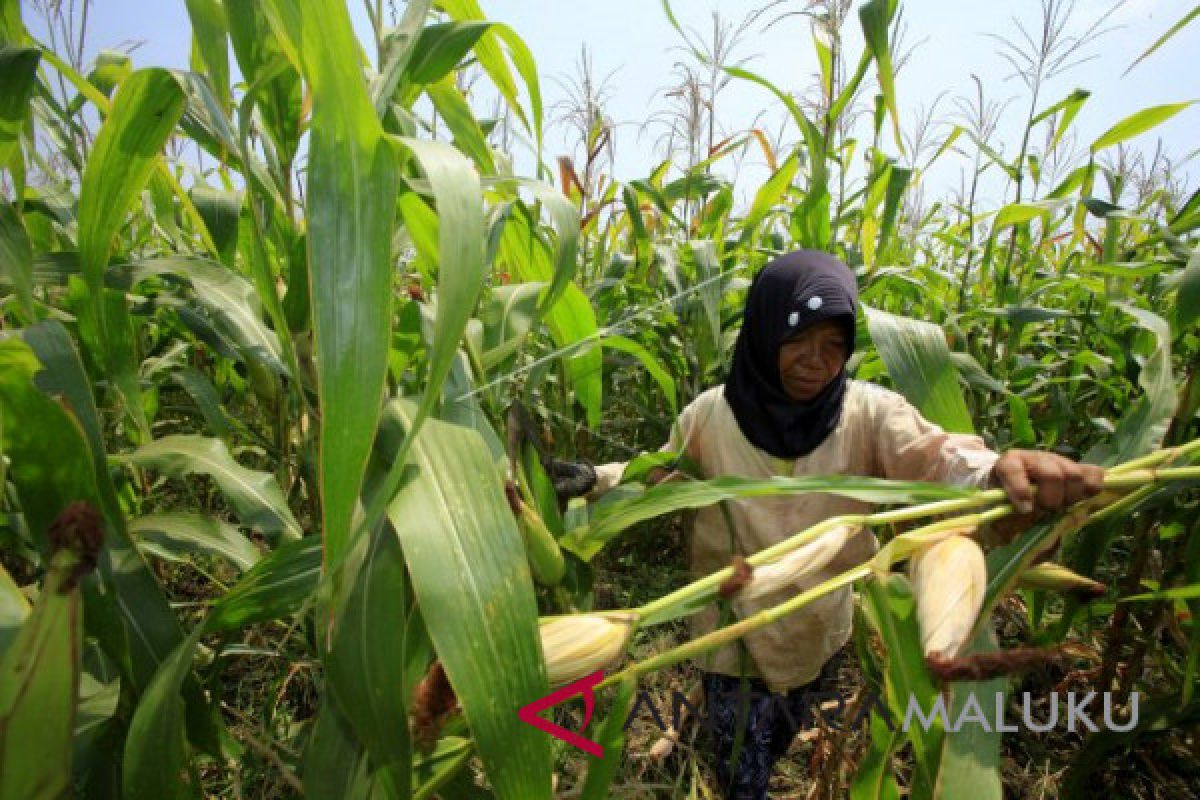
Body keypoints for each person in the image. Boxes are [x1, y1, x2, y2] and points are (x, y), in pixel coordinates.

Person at [546, 250, 1105, 800]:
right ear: (765, 333)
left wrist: (996, 477)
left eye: (834, 344)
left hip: (819, 630)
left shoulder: (869, 413)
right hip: (729, 637)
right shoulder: (711, 416)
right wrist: (597, 477)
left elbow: (942, 463)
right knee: (742, 771)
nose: (818, 361)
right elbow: (659, 477)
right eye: (798, 339)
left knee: (783, 731)